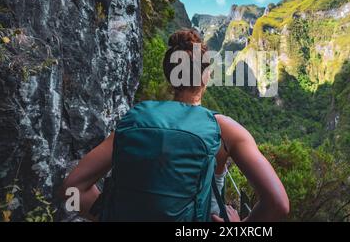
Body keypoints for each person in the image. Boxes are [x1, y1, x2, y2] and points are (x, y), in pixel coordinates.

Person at [62, 29, 289, 222]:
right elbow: (278, 204)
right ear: (207, 76)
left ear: (169, 77)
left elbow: (71, 189)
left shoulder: (135, 121)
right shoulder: (225, 130)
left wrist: (109, 215)